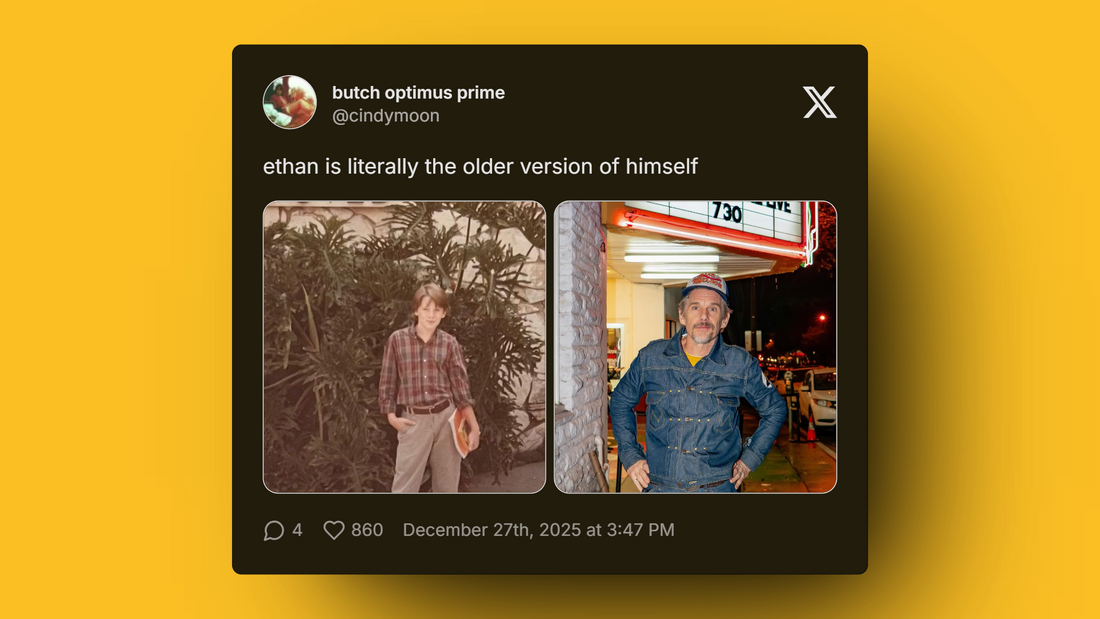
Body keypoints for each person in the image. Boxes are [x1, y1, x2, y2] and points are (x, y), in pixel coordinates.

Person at [609, 273, 787, 493]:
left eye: (713, 308)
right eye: (695, 308)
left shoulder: (740, 364)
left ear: (724, 320)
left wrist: (750, 459)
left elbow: (775, 409)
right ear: (682, 316)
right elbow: (619, 402)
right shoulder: (651, 358)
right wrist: (630, 454)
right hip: (660, 488)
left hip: (716, 488)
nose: (704, 316)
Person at [379, 283, 480, 492]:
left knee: (447, 485)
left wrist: (474, 428)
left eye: (437, 309)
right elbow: (387, 382)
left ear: (444, 313)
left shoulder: (450, 344)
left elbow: (461, 391)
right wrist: (391, 417)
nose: (431, 315)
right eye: (426, 309)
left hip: (446, 420)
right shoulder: (397, 340)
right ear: (416, 310)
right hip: (413, 421)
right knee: (404, 485)